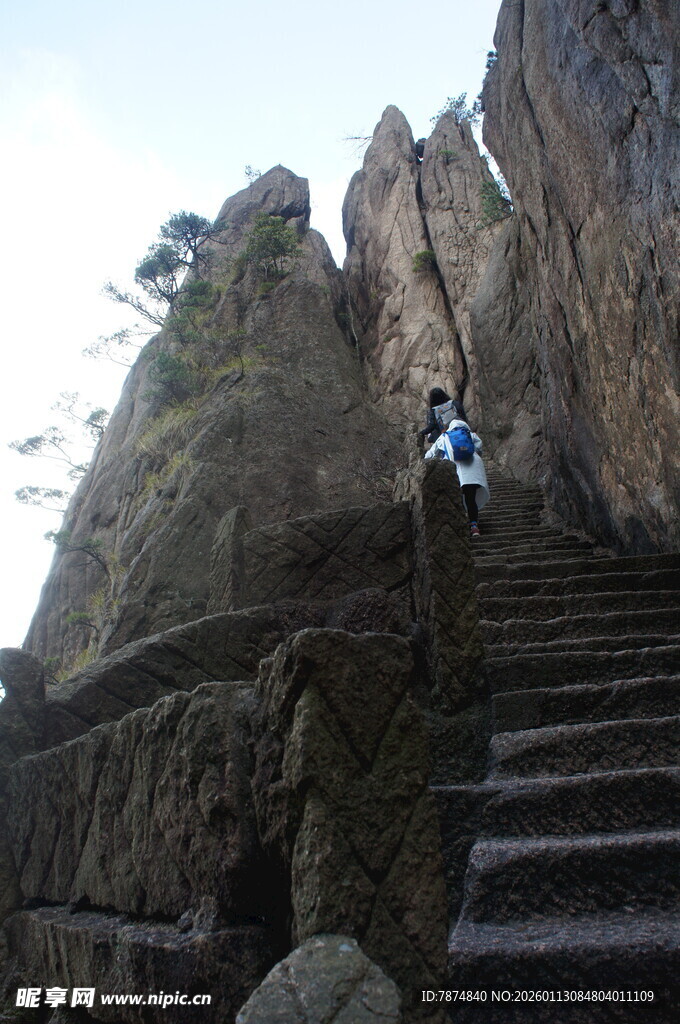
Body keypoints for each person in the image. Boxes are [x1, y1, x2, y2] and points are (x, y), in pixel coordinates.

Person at [424, 415, 490, 537]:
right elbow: (479, 449)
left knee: (455, 499)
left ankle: (459, 528)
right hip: (473, 471)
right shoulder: (471, 435)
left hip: (455, 471)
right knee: (471, 499)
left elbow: (430, 455)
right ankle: (474, 526)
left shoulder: (444, 437)